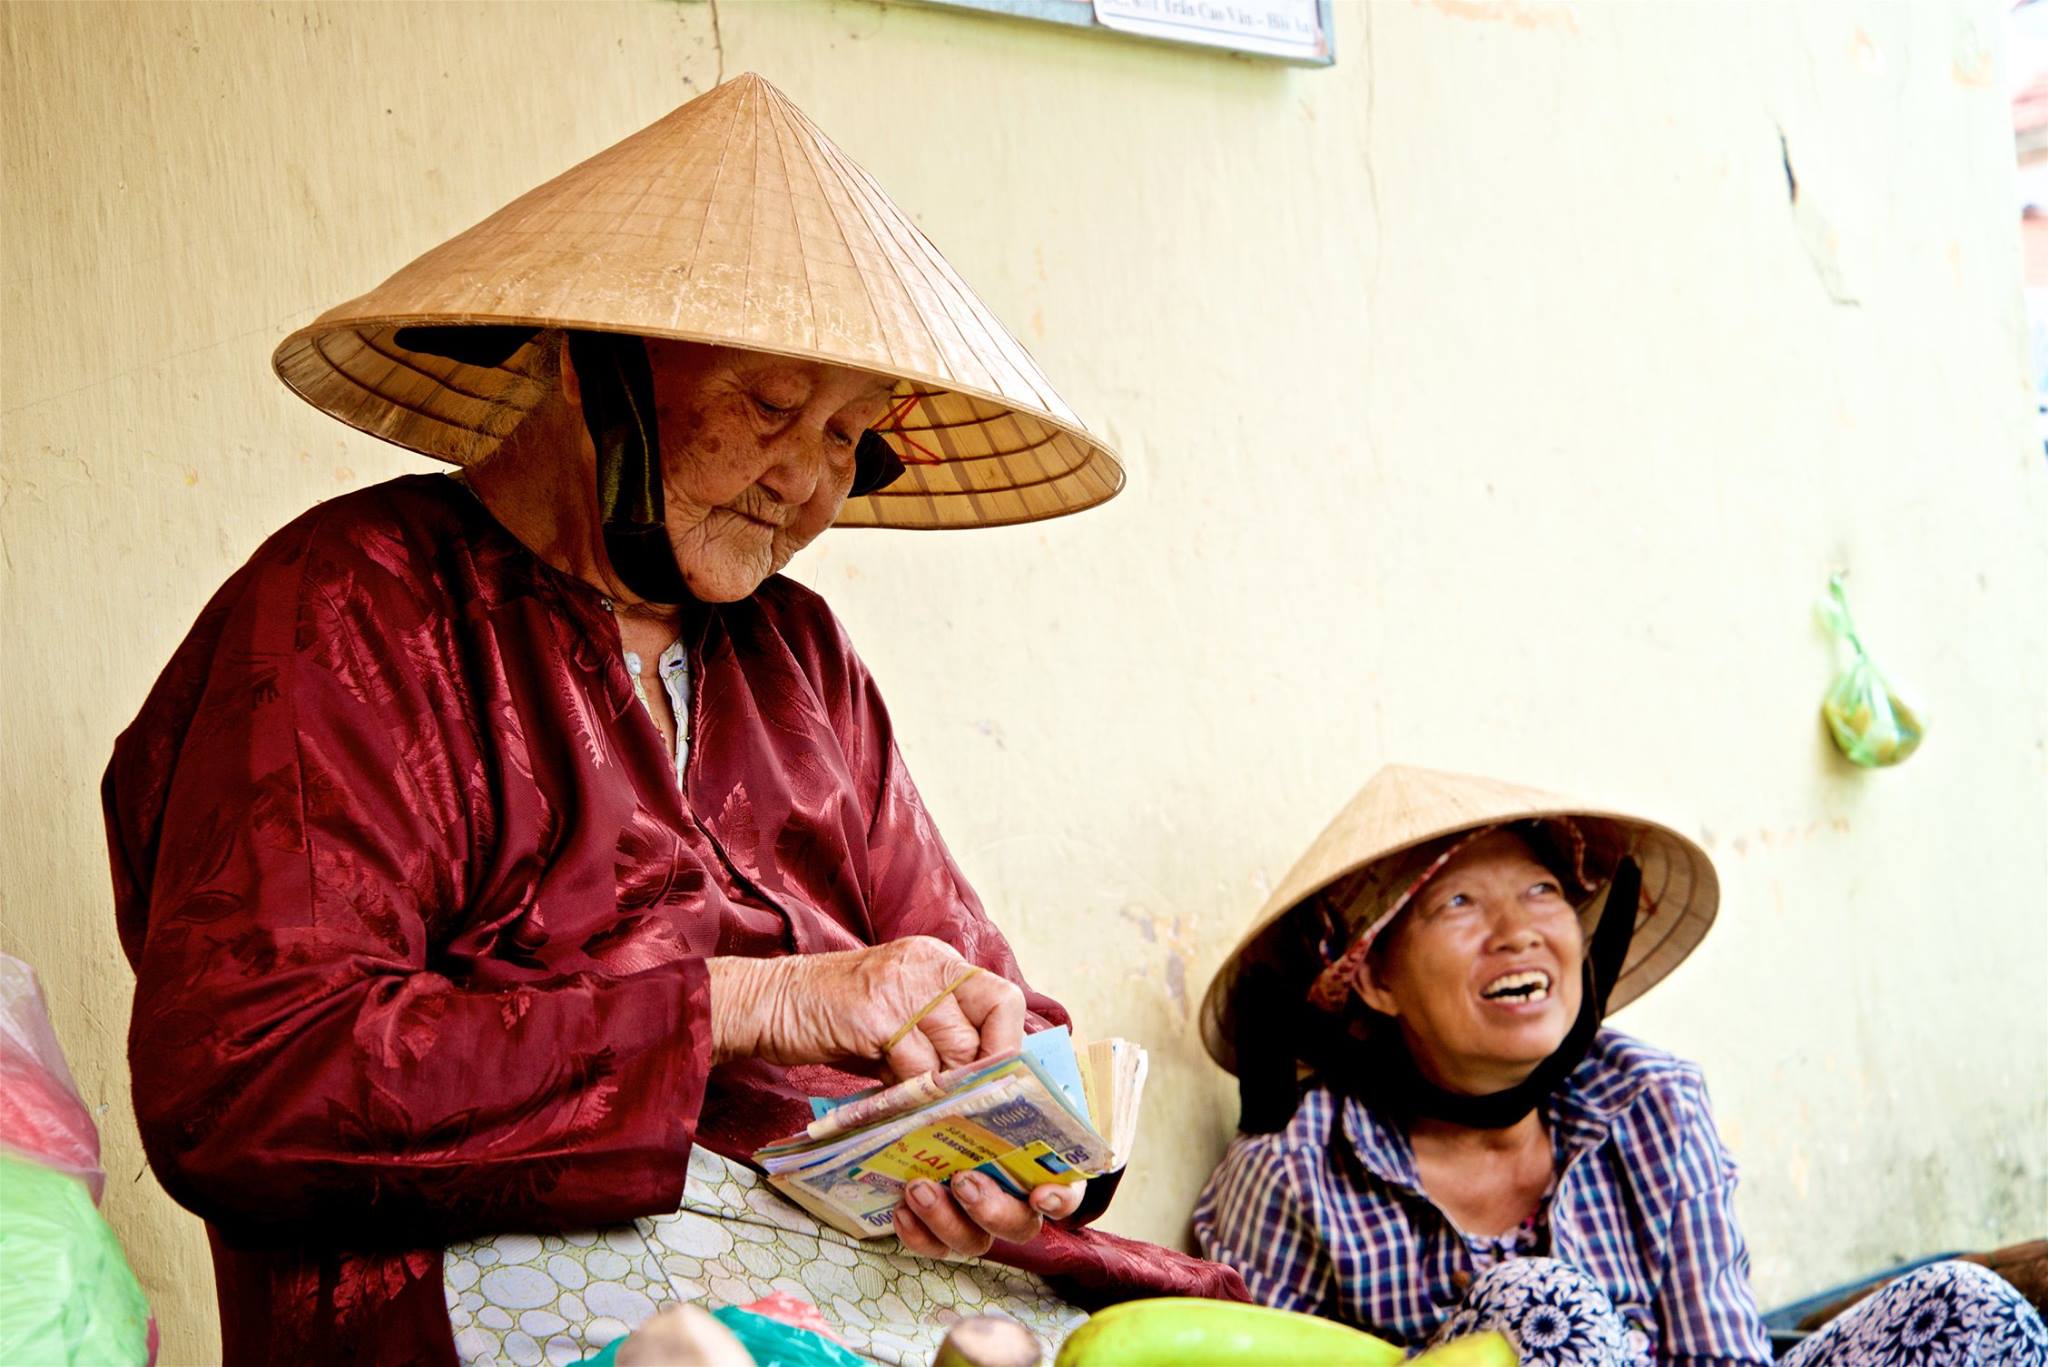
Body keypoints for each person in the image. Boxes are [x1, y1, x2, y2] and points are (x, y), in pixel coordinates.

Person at [103, 74, 1240, 1367]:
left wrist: (1012, 1146)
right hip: (532, 1287)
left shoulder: (797, 655)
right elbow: (252, 1081)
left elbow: (980, 1002)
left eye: (851, 436)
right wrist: (745, 1005)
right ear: (597, 368)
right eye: (769, 407)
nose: (811, 481)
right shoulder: (348, 609)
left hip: (874, 1280)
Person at [1192, 764, 2046, 1365]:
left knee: (1971, 1307)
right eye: (1458, 902)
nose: (1519, 930)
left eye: (1542, 890)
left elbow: (1722, 1354)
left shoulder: (1651, 1100)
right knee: (1537, 1302)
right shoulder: (1295, 1166)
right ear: (1374, 978)